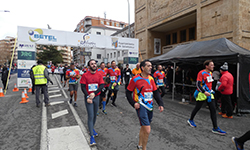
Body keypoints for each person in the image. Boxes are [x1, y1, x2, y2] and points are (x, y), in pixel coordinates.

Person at [126, 60, 164, 150]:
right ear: (142, 68)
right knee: (147, 129)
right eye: (148, 66)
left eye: (151, 66)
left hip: (150, 106)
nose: (151, 67)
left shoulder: (151, 78)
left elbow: (155, 92)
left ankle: (139, 145)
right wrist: (133, 103)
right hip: (141, 105)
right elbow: (128, 93)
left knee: (144, 126)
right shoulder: (135, 79)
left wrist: (160, 104)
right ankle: (144, 148)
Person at [187, 60, 226, 135]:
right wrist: (204, 92)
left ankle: (215, 128)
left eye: (213, 65)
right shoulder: (201, 73)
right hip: (202, 93)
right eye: (211, 65)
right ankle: (191, 120)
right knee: (197, 108)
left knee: (213, 110)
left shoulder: (210, 73)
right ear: (206, 66)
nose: (213, 66)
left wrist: (211, 91)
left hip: (209, 93)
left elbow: (209, 83)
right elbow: (198, 84)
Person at [80, 59, 104, 146]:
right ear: (89, 66)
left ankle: (91, 129)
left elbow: (101, 85)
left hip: (96, 97)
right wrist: (88, 96)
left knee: (95, 115)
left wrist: (94, 93)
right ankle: (91, 137)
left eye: (95, 63)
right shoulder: (85, 75)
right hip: (89, 98)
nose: (94, 65)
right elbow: (82, 87)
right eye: (92, 64)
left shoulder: (99, 74)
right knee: (90, 115)